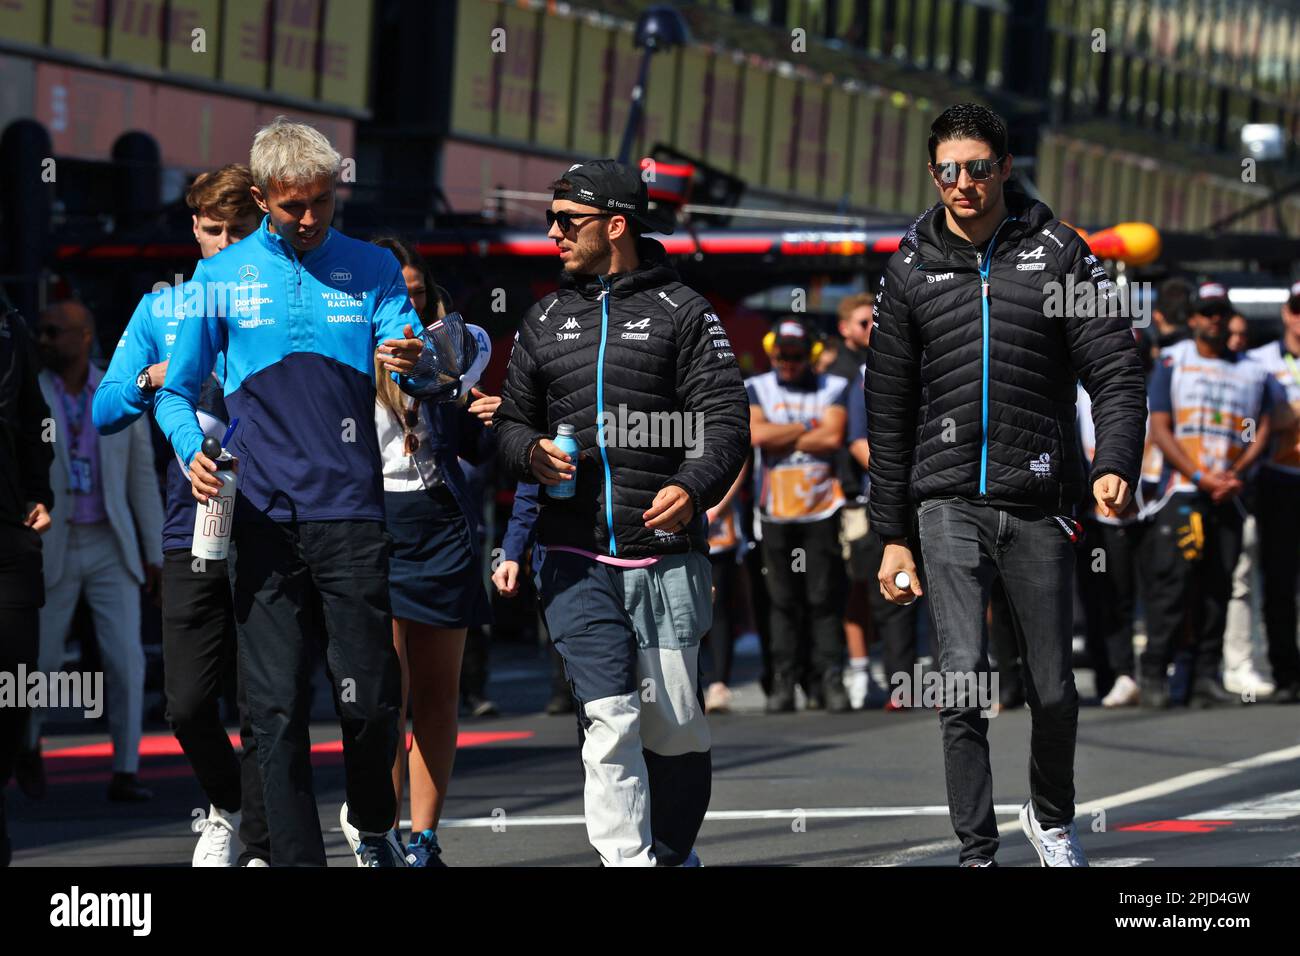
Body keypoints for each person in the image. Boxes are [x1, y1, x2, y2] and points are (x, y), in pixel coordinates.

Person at [868, 103, 1147, 867]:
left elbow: (1117, 371)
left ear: (1006, 168)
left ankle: (1052, 818)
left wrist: (1117, 462)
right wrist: (891, 533)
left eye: (978, 167)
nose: (964, 183)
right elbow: (887, 407)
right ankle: (976, 850)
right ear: (934, 175)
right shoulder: (910, 264)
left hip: (1040, 500)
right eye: (948, 171)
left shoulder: (1061, 252)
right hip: (946, 500)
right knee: (962, 680)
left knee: (1054, 689)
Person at [155, 117, 431, 867]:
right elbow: (173, 395)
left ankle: (372, 821)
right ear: (259, 196)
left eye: (321, 203)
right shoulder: (219, 279)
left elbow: (416, 362)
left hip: (350, 514)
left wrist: (413, 359)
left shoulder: (371, 267)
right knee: (272, 711)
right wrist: (192, 451)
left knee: (370, 700)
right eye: (290, 206)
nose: (308, 220)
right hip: (262, 522)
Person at [494, 158, 749, 866]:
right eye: (550, 220)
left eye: (565, 221)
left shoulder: (685, 311)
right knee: (607, 722)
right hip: (572, 558)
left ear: (615, 225)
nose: (551, 233)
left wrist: (695, 486)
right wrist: (530, 452)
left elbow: (727, 421)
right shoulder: (544, 318)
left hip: (663, 556)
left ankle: (670, 853)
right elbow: (511, 425)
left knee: (673, 727)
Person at [91, 164, 269, 866]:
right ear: (193, 227)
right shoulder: (160, 307)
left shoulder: (277, 300)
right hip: (190, 517)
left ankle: (257, 834)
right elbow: (104, 411)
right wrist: (152, 377)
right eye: (212, 230)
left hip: (273, 514)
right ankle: (228, 805)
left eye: (239, 230)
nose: (223, 244)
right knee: (189, 704)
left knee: (265, 698)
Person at [370, 237, 496, 867]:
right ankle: (381, 835)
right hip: (373, 521)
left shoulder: (459, 340)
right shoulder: (342, 344)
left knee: (439, 693)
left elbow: (452, 394)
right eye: (390, 289)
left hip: (439, 519)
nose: (403, 300)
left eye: (413, 290)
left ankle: (424, 837)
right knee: (384, 693)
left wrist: (423, 357)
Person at [25, 300, 165, 802]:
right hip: (51, 542)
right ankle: (29, 744)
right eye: (41, 331)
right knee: (39, 661)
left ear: (84, 336)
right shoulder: (30, 390)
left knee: (126, 660)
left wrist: (155, 554)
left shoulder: (117, 387)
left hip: (110, 539)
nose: (44, 339)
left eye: (54, 331)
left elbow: (142, 478)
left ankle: (126, 769)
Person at [1144, 282, 1278, 709]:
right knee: (1174, 585)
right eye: (1207, 312)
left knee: (1219, 585)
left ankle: (1204, 675)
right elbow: (1161, 427)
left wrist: (1237, 472)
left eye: (1220, 312)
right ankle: (1154, 673)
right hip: (1183, 489)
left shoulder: (1253, 371)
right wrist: (1200, 475)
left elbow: (1260, 428)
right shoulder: (1173, 361)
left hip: (1230, 492)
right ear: (1194, 319)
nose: (1214, 319)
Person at [747, 318, 850, 712]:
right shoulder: (757, 387)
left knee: (823, 599)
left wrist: (782, 431)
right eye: (782, 355)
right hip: (774, 512)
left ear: (808, 354)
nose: (788, 363)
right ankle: (784, 682)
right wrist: (808, 425)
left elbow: (833, 436)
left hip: (822, 510)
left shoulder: (835, 387)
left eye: (796, 355)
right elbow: (756, 435)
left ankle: (829, 680)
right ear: (772, 353)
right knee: (782, 601)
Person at [0, 293, 54, 865]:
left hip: (9, 536)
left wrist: (40, 489)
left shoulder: (10, 323)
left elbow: (39, 419)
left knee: (12, 691)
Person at [845, 359, 918, 710]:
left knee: (946, 594)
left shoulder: (933, 365)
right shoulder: (864, 378)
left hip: (935, 494)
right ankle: (901, 687)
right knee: (896, 593)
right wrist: (897, 478)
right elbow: (858, 442)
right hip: (889, 497)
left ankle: (950, 686)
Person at [1245, 282, 1300, 703]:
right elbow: (1255, 418)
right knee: (1279, 582)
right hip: (1279, 480)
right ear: (1286, 313)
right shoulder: (1260, 361)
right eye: (1297, 308)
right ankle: (1286, 673)